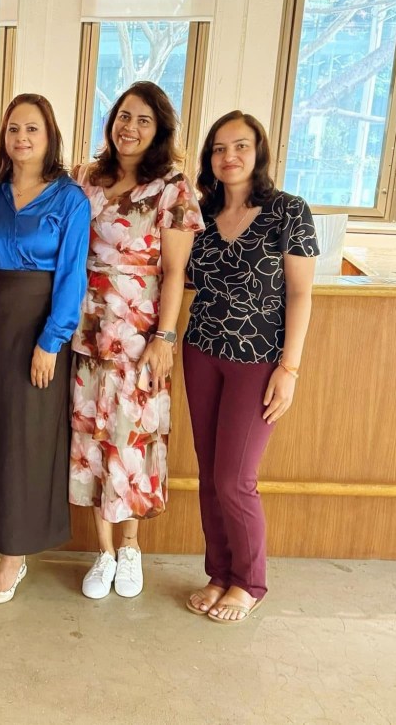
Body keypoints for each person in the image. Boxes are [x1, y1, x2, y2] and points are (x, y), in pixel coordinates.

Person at [69, 82, 204, 600]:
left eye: (143, 120)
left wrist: (165, 336)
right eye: (124, 116)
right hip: (87, 329)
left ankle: (130, 547)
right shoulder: (87, 177)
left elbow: (174, 272)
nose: (130, 127)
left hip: (140, 333)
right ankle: (102, 552)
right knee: (93, 438)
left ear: (159, 130)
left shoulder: (172, 187)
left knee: (131, 439)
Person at [183, 111, 318, 624]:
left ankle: (249, 581)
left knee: (235, 478)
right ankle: (219, 573)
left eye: (240, 145)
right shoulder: (199, 213)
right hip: (201, 352)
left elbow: (301, 293)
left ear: (258, 151)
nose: (229, 156)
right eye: (219, 148)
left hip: (259, 361)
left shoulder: (288, 211)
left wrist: (290, 368)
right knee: (209, 475)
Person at [0, 94, 90, 606]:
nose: (22, 138)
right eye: (14, 128)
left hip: (40, 327)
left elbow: (73, 275)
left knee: (29, 438)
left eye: (32, 129)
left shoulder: (70, 199)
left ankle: (14, 557)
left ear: (49, 136)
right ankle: (3, 539)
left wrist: (51, 342)